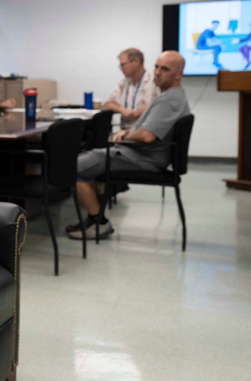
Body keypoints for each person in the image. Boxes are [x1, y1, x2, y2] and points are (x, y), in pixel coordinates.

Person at [68, 51, 191, 240]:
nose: (157, 72)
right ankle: (96, 217)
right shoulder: (170, 95)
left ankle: (99, 223)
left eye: (164, 69)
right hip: (136, 153)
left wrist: (124, 136)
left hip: (142, 158)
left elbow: (147, 136)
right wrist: (128, 132)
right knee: (87, 158)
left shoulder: (169, 99)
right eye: (157, 66)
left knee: (72, 167)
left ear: (178, 74)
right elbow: (144, 129)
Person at [102, 48, 160, 130]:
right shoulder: (124, 82)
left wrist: (138, 112)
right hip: (125, 130)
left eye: (123, 65)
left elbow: (162, 107)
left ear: (136, 62)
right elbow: (107, 105)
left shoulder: (155, 80)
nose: (121, 69)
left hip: (145, 130)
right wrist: (122, 110)